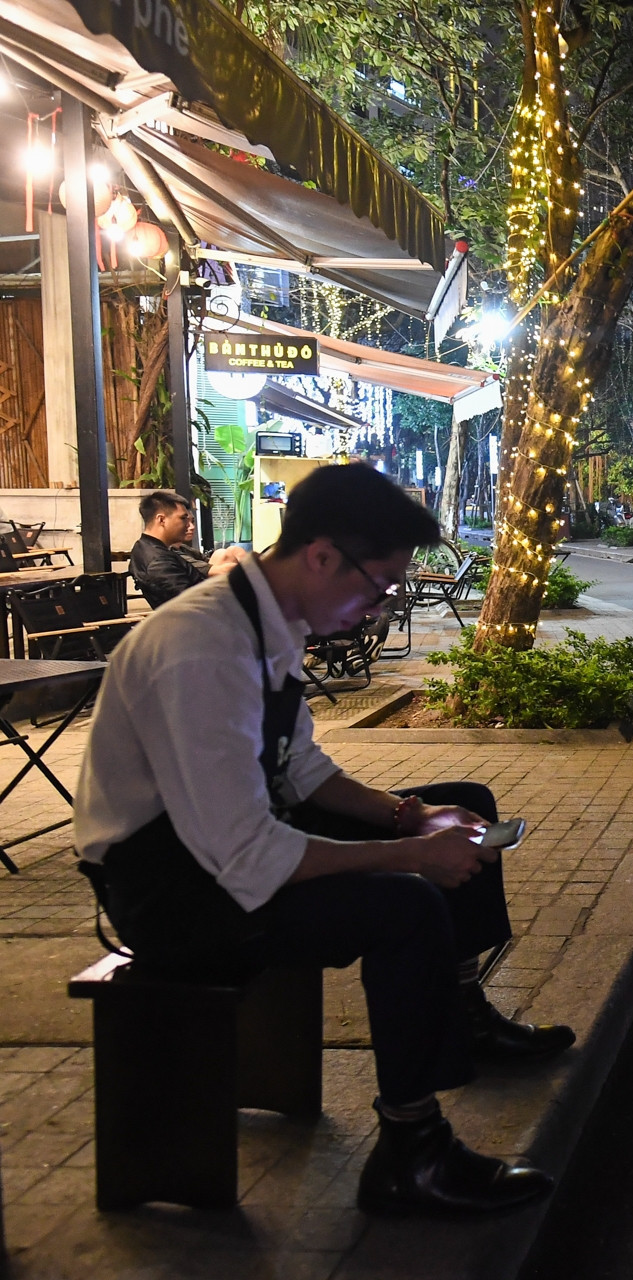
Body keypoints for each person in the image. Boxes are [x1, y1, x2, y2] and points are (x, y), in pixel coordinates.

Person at [74, 463, 573, 1218]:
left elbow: (298, 767)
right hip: (168, 894)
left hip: (220, 844)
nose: (381, 605)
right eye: (379, 586)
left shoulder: (266, 618)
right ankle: (413, 1151)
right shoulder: (202, 646)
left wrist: (409, 817)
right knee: (405, 906)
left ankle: (465, 1016)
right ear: (321, 556)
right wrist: (410, 856)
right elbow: (250, 854)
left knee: (460, 804)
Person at [128, 491, 241, 609]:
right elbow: (190, 604)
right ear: (161, 520)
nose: (189, 525)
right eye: (183, 518)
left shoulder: (150, 549)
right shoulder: (158, 562)